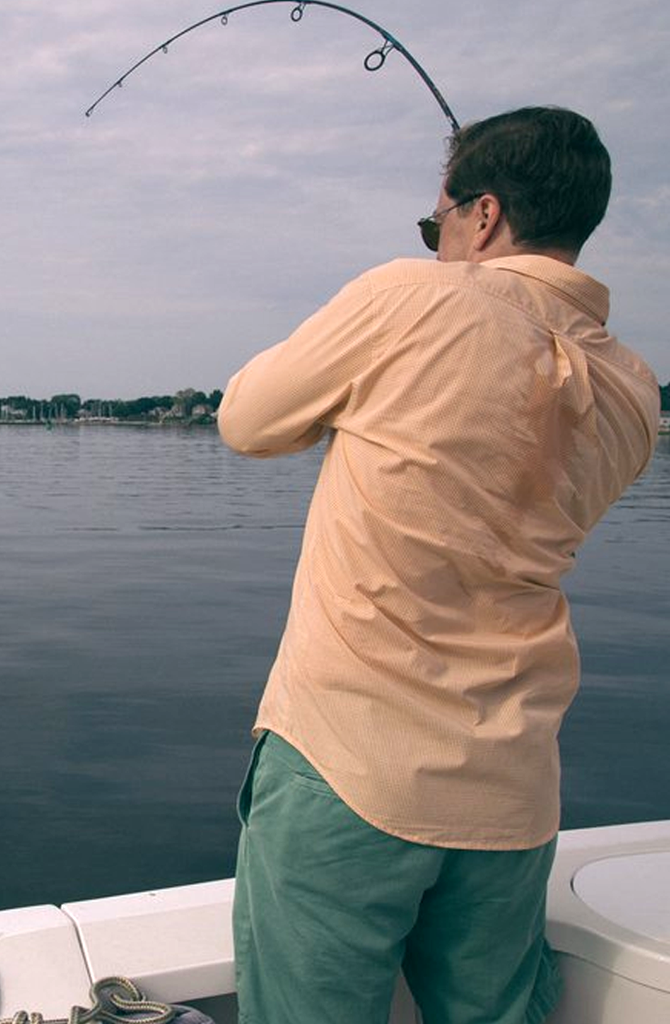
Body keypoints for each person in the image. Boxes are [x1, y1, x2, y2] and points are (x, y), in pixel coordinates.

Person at [218, 107, 660, 1024]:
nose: (435, 244)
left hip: (349, 764)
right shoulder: (632, 388)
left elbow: (247, 422)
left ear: (484, 215)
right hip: (512, 791)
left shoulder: (407, 297)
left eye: (438, 225)